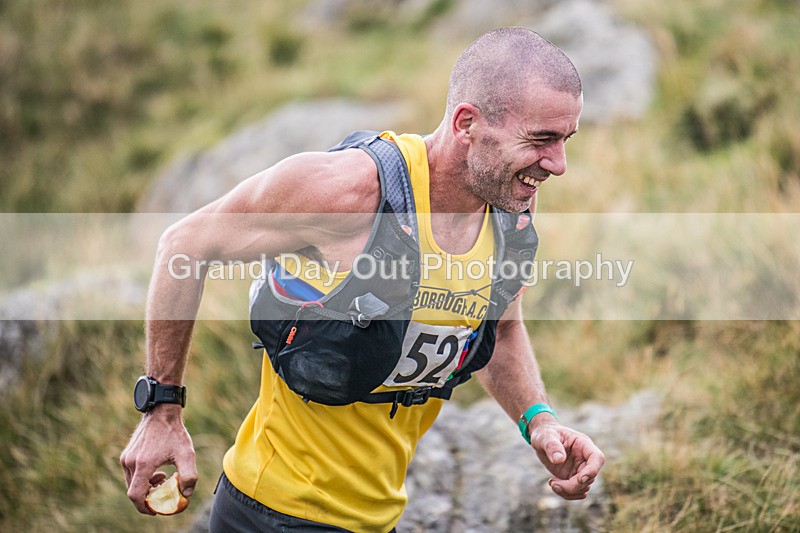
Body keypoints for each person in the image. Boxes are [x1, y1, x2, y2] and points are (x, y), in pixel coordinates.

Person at [120, 27, 605, 532]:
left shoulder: (508, 211)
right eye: (541, 140)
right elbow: (184, 246)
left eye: (566, 140)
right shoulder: (348, 192)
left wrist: (540, 423)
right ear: (466, 123)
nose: (559, 164)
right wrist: (161, 409)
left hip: (378, 517)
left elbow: (499, 332)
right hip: (274, 512)